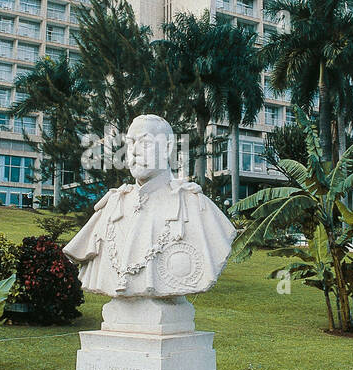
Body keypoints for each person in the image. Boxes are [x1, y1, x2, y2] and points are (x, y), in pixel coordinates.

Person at [62, 114, 237, 298]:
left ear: (167, 148)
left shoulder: (196, 207)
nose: (134, 152)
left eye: (145, 144)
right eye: (130, 144)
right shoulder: (112, 206)